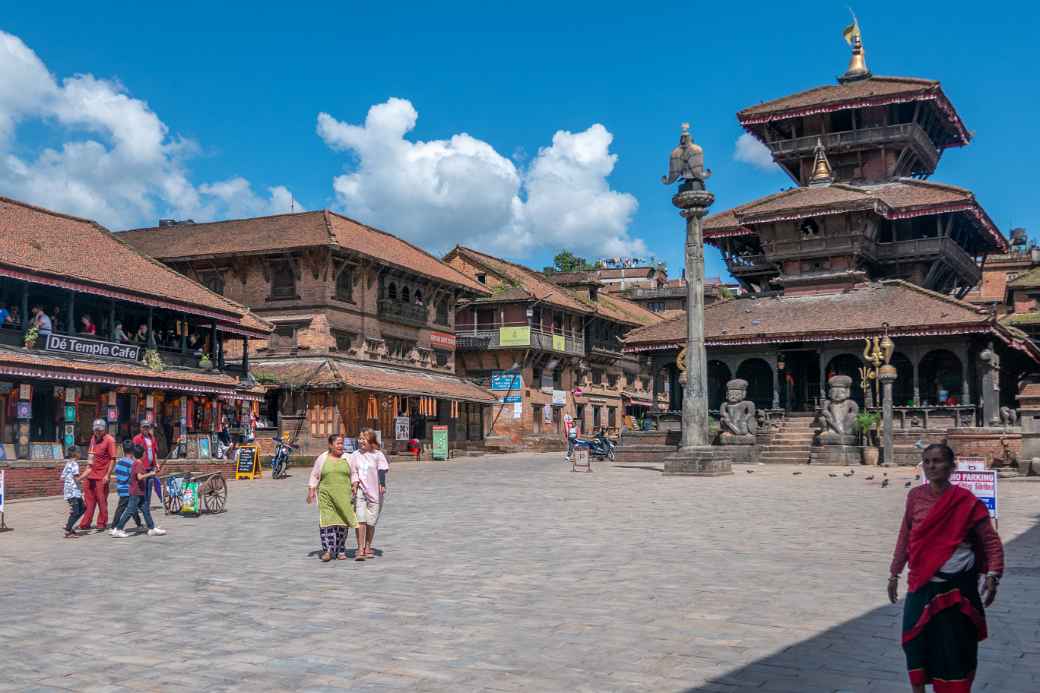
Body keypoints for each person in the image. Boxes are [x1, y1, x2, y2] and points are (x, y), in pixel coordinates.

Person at [888, 443, 1004, 693]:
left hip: (957, 589)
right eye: (927, 461)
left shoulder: (967, 502)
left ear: (952, 466)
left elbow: (990, 541)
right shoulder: (915, 497)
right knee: (915, 643)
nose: (932, 466)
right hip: (922, 583)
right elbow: (906, 535)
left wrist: (993, 574)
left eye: (938, 461)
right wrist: (895, 572)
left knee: (955, 649)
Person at [307, 434, 358, 562]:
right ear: (330, 445)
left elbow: (354, 474)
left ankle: (340, 549)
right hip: (326, 495)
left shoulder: (348, 458)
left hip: (344, 496)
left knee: (342, 523)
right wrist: (311, 491)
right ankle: (328, 550)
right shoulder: (322, 458)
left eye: (342, 443)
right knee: (326, 523)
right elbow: (315, 475)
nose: (341, 446)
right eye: (338, 443)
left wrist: (354, 485)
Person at [111, 444, 166, 537]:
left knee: (145, 510)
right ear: (143, 454)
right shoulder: (138, 463)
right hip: (136, 491)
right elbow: (139, 477)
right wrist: (151, 473)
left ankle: (151, 528)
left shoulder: (136, 462)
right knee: (130, 511)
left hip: (139, 491)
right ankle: (118, 529)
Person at [349, 429, 388, 561]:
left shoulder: (378, 455)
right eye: (359, 439)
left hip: (375, 493)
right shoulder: (354, 455)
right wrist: (354, 484)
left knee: (371, 522)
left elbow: (382, 469)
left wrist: (382, 483)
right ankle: (360, 549)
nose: (360, 441)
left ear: (371, 441)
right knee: (361, 521)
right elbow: (353, 472)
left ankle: (367, 546)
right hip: (361, 491)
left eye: (363, 439)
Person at [79, 419, 116, 531]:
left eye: (100, 430)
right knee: (89, 501)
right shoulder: (93, 439)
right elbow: (91, 457)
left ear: (104, 429)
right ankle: (85, 523)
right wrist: (84, 474)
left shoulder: (109, 440)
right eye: (96, 430)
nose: (98, 432)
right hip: (90, 474)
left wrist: (107, 475)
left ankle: (102, 523)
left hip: (101, 475)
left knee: (102, 501)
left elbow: (113, 459)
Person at [111, 440, 144, 533]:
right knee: (124, 508)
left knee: (132, 507)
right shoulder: (132, 463)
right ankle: (114, 526)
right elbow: (132, 476)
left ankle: (139, 524)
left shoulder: (119, 462)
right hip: (128, 488)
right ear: (133, 450)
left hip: (120, 487)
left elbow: (117, 473)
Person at [133, 419, 162, 507]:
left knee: (149, 486)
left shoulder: (152, 438)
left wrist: (156, 463)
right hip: (141, 467)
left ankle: (147, 504)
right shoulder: (137, 438)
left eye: (147, 427)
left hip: (151, 466)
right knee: (141, 486)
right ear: (140, 428)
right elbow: (134, 454)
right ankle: (140, 504)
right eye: (144, 427)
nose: (146, 429)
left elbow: (155, 452)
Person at [61, 447, 86, 538]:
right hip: (73, 491)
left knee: (83, 508)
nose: (80, 454)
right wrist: (83, 479)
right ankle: (68, 531)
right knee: (76, 511)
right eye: (79, 452)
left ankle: (69, 524)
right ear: (76, 454)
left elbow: (62, 477)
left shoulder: (68, 464)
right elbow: (77, 478)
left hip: (71, 491)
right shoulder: (75, 464)